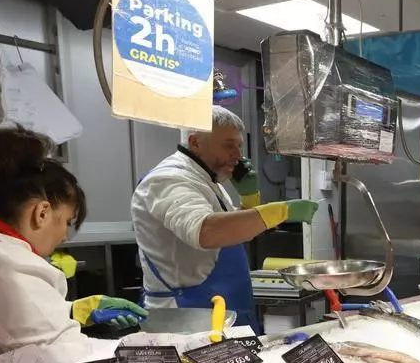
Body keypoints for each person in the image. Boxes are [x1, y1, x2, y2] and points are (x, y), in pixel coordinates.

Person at [0, 127, 145, 363]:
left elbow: (6, 322)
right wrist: (149, 359)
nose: (65, 236)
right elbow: (63, 362)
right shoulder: (3, 265)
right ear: (42, 213)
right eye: (67, 221)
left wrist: (70, 311)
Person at [132, 106, 319, 334]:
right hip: (187, 316)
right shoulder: (168, 179)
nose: (238, 156)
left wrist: (249, 200)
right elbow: (206, 231)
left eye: (239, 146)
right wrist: (281, 211)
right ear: (195, 142)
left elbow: (231, 235)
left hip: (222, 307)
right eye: (229, 145)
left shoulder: (209, 182)